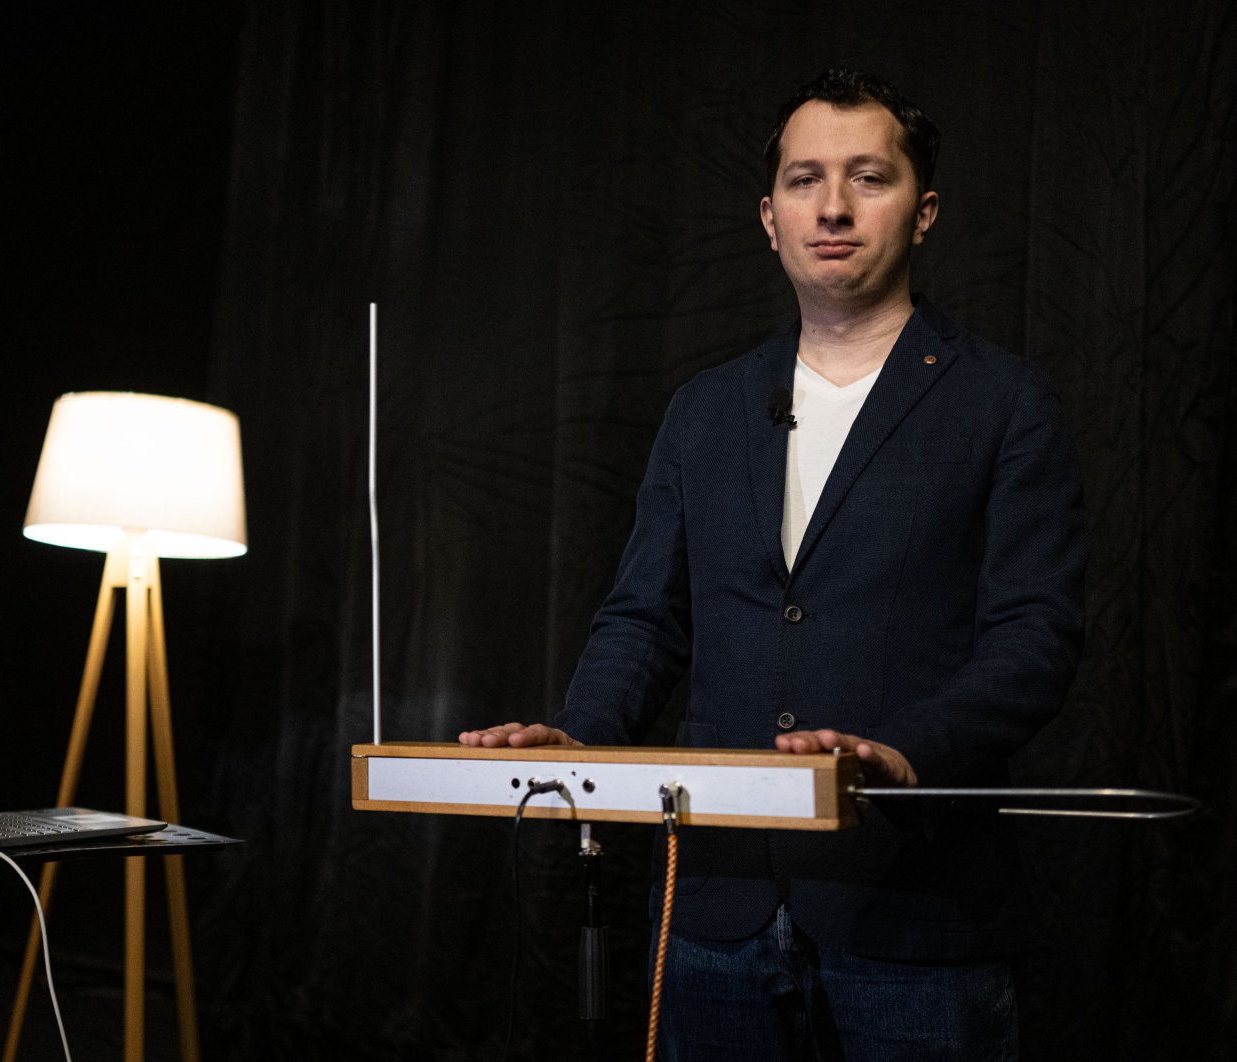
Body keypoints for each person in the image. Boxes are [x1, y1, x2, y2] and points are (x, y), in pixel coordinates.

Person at [461, 68, 1085, 1061]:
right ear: (768, 216)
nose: (831, 206)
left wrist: (902, 756)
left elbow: (1034, 641)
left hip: (912, 912)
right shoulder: (703, 410)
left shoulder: (1006, 405)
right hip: (717, 909)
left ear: (922, 213)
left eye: (865, 178)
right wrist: (576, 745)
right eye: (803, 180)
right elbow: (643, 621)